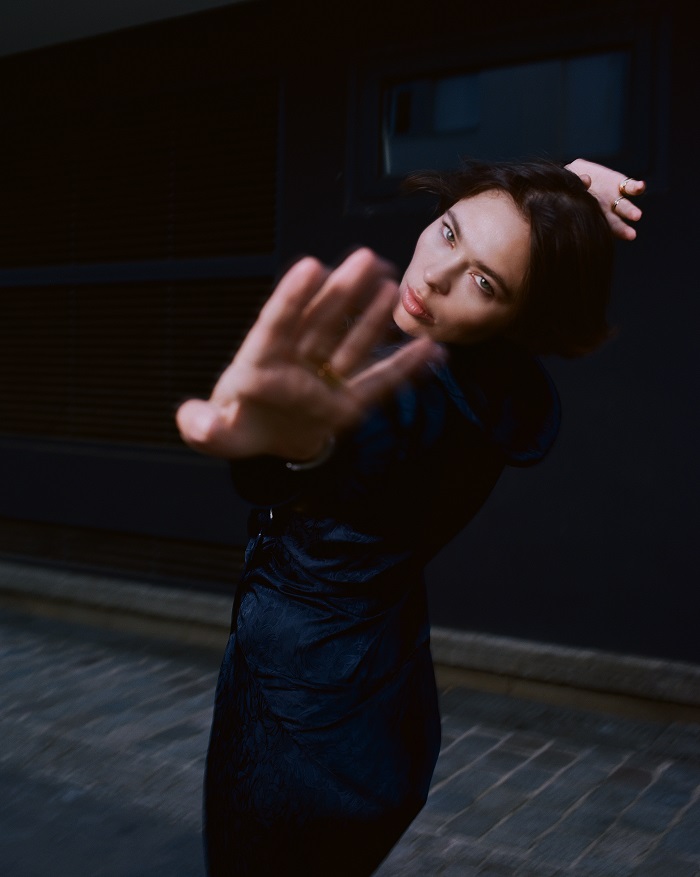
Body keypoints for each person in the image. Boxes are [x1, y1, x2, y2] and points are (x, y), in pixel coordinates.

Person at [176, 157, 644, 876]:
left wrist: (294, 448)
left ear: (522, 316)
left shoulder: (412, 395)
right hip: (381, 701)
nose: (435, 277)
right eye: (448, 232)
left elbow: (356, 437)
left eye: (485, 283)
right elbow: (505, 238)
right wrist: (567, 185)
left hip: (298, 720)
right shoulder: (500, 382)